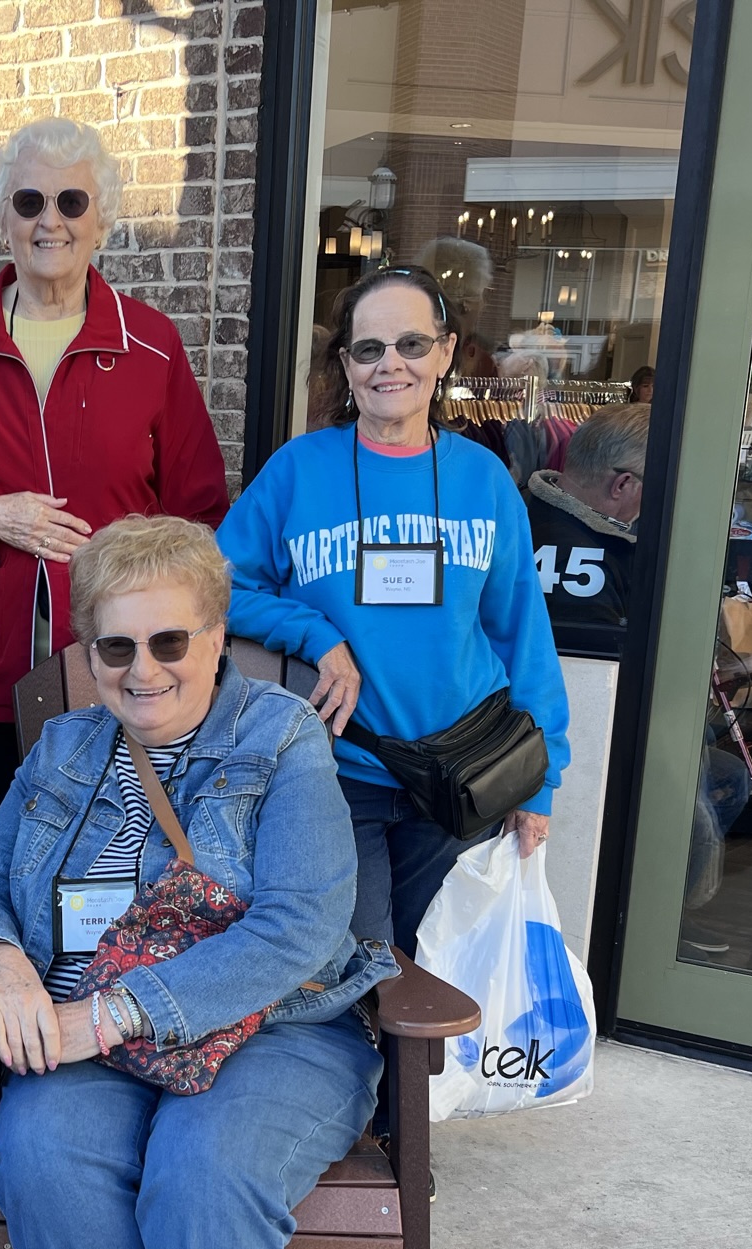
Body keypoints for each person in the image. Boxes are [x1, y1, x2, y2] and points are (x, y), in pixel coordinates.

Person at [0, 516, 395, 1249]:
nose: (142, 671)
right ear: (88, 650)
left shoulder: (280, 737)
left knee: (203, 1177)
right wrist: (1, 963)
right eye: (115, 646)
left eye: (169, 641)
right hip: (90, 1039)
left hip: (272, 1031)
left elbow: (300, 927)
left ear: (217, 637)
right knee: (40, 1164)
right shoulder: (64, 747)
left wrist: (106, 1016)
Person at [0, 115, 229, 1138]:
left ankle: (107, 1048)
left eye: (71, 201)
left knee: (120, 866)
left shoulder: (149, 344)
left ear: (101, 218)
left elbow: (198, 506)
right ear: (0, 217)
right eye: (29, 201)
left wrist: (135, 577)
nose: (50, 221)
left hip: (121, 673)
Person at [220, 264, 570, 958]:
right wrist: (313, 632)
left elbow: (522, 633)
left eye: (412, 344)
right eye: (368, 349)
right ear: (346, 364)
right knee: (355, 968)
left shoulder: (483, 479)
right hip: (336, 771)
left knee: (432, 967)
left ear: (445, 352)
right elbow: (215, 588)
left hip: (463, 774)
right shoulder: (298, 470)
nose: (391, 365)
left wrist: (542, 780)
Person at [523, 401, 651, 659]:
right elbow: (601, 667)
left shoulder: (512, 508)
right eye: (653, 486)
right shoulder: (593, 561)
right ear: (622, 485)